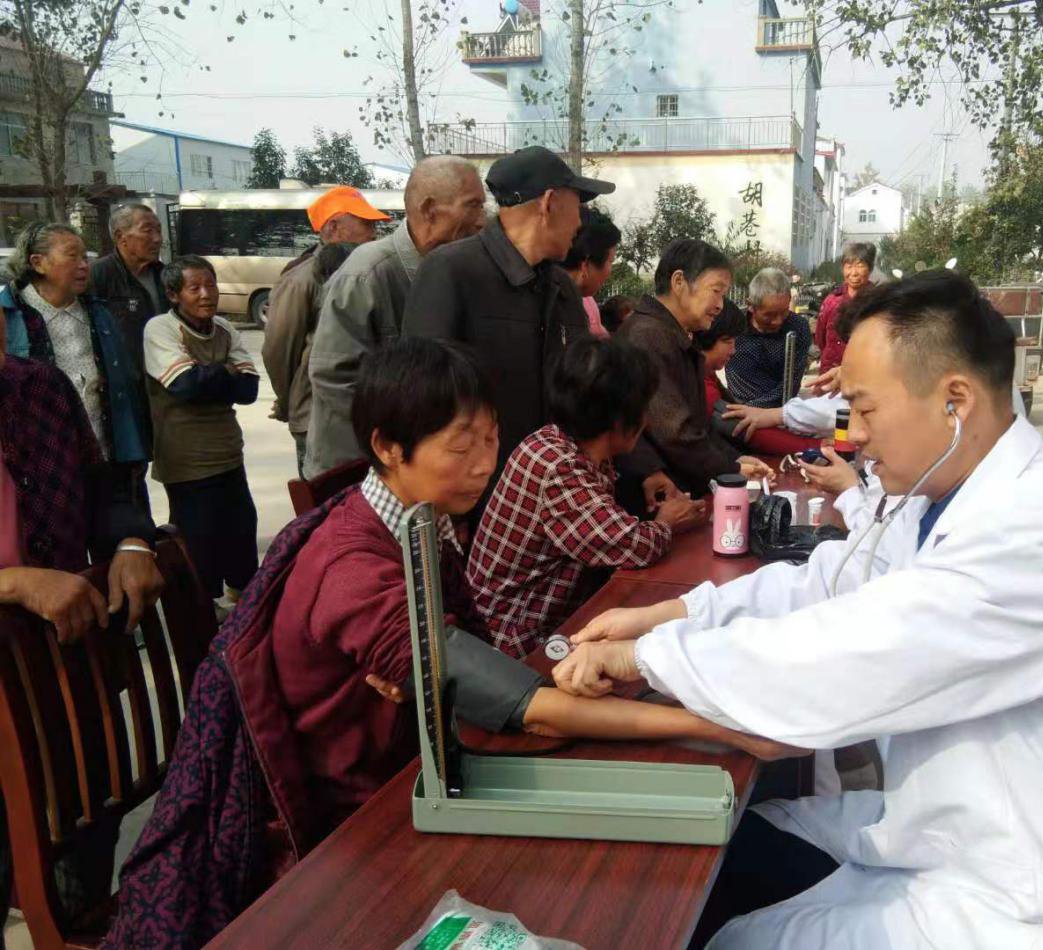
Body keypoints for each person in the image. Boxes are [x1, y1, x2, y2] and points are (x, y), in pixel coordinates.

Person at [552, 271, 1043, 947]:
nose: (852, 435)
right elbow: (832, 583)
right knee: (735, 844)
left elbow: (844, 660)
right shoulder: (946, 493)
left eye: (864, 408)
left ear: (954, 402)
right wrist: (671, 615)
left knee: (723, 932)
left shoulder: (1041, 529)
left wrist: (644, 657)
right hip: (955, 824)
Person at [271, 338, 793, 828]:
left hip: (445, 746)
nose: (485, 464)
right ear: (388, 447)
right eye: (462, 447)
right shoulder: (354, 571)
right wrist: (716, 725)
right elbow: (533, 711)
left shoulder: (417, 517)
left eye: (490, 437)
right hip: (373, 809)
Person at [0, 295, 162, 941]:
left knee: (85, 847)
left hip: (64, 669)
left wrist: (131, 543)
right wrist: (13, 582)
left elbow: (106, 490)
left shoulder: (38, 388)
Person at [467, 337, 708, 659]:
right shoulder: (557, 467)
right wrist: (668, 521)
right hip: (517, 644)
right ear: (620, 420)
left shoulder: (557, 441)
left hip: (547, 623)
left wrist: (649, 477)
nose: (647, 421)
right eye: (643, 409)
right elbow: (633, 545)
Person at [402, 146, 614, 480]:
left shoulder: (561, 286)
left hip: (550, 485)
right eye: (578, 204)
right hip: (474, 489)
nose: (579, 221)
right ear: (549, 203)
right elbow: (423, 397)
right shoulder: (449, 271)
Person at [304, 156, 487, 477]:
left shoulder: (454, 270)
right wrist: (406, 433)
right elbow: (333, 376)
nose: (482, 220)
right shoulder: (368, 273)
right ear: (430, 210)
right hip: (360, 468)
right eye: (473, 206)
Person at [2, 222, 152, 522]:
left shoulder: (99, 314)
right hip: (42, 470)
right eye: (73, 256)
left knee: (124, 540)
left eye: (86, 257)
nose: (84, 265)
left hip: (107, 459)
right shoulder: (10, 317)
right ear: (38, 263)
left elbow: (126, 387)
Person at [143, 255, 259, 610]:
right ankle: (201, 616)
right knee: (198, 545)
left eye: (211, 285)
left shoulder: (223, 328)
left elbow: (249, 389)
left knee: (241, 535)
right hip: (186, 460)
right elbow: (184, 385)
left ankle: (242, 610)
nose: (206, 294)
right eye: (194, 288)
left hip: (228, 453)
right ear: (173, 294)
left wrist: (208, 375)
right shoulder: (161, 329)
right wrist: (225, 371)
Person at [617, 239, 773, 496]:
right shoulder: (647, 336)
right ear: (679, 282)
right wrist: (730, 468)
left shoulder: (670, 334)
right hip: (659, 495)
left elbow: (697, 427)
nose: (720, 305)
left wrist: (734, 461)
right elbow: (675, 433)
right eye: (716, 291)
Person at [262, 186, 389, 474]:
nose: (373, 234)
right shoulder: (303, 278)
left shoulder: (370, 272)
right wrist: (290, 400)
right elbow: (279, 349)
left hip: (362, 413)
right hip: (315, 417)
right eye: (366, 224)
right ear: (332, 227)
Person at [699, 300, 819, 457]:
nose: (733, 350)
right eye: (728, 341)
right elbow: (742, 426)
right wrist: (815, 447)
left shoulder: (704, 373)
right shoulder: (700, 384)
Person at [90, 203, 167, 388]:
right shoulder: (98, 275)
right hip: (122, 382)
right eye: (148, 231)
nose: (157, 239)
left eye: (158, 230)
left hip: (164, 376)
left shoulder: (165, 275)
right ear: (120, 237)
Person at [724, 267, 812, 409]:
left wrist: (754, 411)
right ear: (751, 305)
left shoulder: (798, 328)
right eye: (769, 315)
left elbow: (791, 383)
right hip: (736, 408)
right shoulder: (734, 326)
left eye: (784, 312)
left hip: (779, 411)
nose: (778, 321)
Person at [812, 241, 875, 382]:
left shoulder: (878, 301)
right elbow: (820, 339)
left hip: (865, 378)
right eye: (849, 266)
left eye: (860, 266)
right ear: (843, 269)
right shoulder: (832, 301)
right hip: (829, 376)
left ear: (870, 269)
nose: (854, 273)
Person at [562, 206, 622, 339]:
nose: (610, 272)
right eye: (611, 261)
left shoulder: (585, 301)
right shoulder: (564, 312)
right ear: (585, 264)